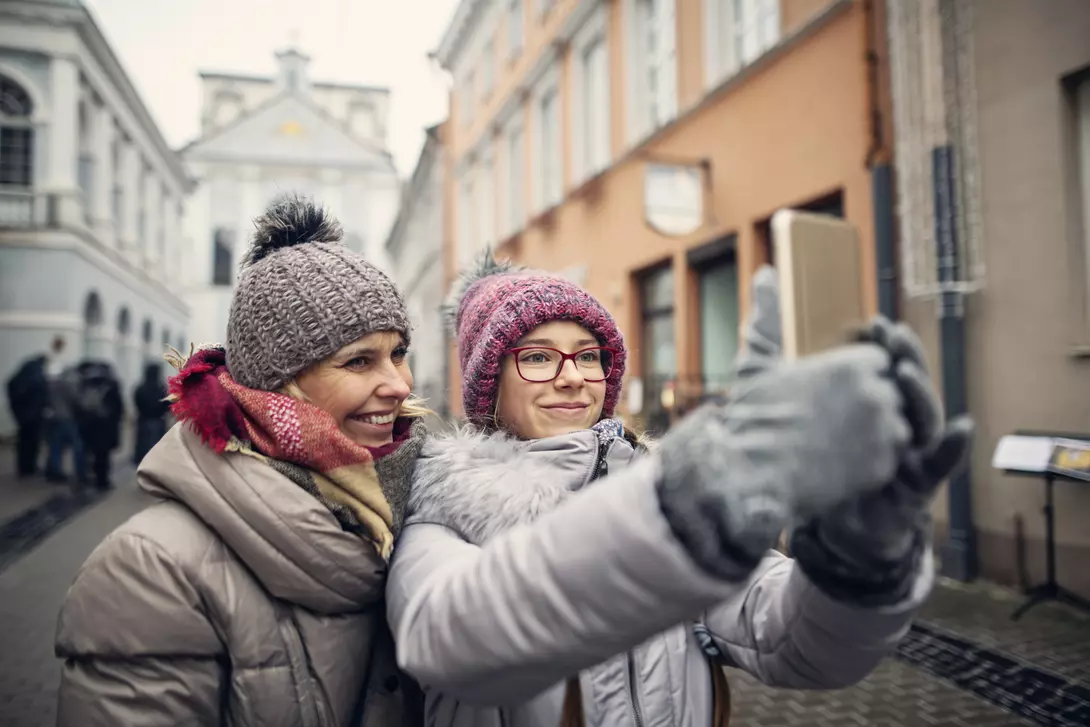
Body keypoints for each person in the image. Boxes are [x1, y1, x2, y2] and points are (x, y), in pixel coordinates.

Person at [386, 254, 973, 726]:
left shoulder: (652, 488)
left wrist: (860, 558)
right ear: (488, 387)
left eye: (587, 356)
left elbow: (799, 645)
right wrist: (685, 510)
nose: (571, 376)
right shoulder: (443, 513)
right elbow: (454, 642)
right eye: (537, 357)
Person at [55, 196, 428, 726]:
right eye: (359, 360)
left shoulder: (413, 512)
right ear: (278, 383)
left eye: (398, 353)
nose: (400, 384)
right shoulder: (151, 569)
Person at [73, 360, 124, 491]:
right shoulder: (112, 384)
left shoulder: (86, 382)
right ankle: (102, 481)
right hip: (105, 426)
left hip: (89, 424)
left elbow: (78, 404)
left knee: (89, 452)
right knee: (103, 454)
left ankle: (85, 477)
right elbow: (118, 407)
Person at [43, 336, 85, 483]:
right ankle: (79, 473)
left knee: (55, 445)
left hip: (53, 415)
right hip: (66, 416)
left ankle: (54, 471)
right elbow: (74, 398)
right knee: (77, 445)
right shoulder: (65, 380)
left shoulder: (50, 376)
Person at [6, 352, 49, 477]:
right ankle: (30, 467)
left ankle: (23, 468)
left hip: (22, 415)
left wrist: (17, 409)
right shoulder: (37, 376)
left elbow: (10, 386)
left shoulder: (20, 376)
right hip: (34, 416)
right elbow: (42, 394)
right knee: (33, 442)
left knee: (23, 441)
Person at [132, 361, 170, 464]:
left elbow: (137, 403)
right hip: (158, 421)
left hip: (144, 421)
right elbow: (167, 405)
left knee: (143, 446)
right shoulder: (162, 389)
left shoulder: (140, 388)